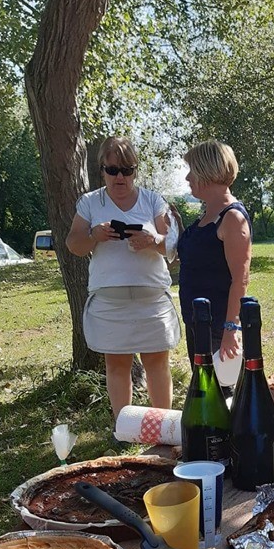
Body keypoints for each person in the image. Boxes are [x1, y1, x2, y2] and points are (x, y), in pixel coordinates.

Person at [66, 136, 180, 419]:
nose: (120, 176)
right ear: (102, 169)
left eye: (127, 170)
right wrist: (94, 235)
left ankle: (162, 426)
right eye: (112, 169)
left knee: (156, 363)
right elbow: (73, 245)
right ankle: (124, 427)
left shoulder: (153, 200)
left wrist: (152, 240)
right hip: (110, 301)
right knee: (116, 365)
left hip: (151, 298)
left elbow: (173, 247)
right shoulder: (90, 202)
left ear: (136, 170)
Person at [177, 140, 252, 366]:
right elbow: (195, 259)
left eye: (192, 170)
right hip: (197, 321)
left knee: (222, 395)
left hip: (218, 327)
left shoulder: (232, 217)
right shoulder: (206, 214)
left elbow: (241, 279)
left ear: (207, 171)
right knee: (204, 391)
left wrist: (231, 328)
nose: (187, 178)